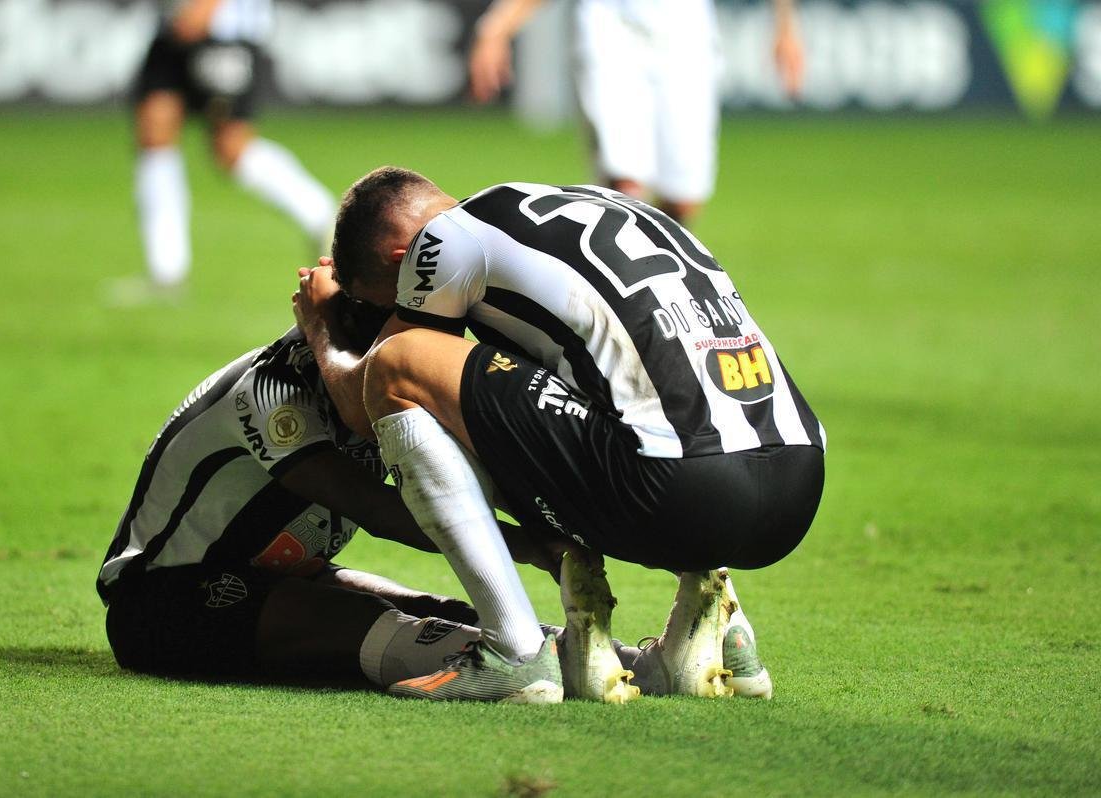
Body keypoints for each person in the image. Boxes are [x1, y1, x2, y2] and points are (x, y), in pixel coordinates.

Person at [292, 167, 826, 703]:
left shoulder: (441, 240)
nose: (384, 314)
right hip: (797, 483)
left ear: (398, 259)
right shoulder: (585, 205)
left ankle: (514, 652)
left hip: (681, 489)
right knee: (630, 394)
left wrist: (322, 325)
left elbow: (369, 402)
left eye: (378, 302)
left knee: (402, 363)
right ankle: (721, 633)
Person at [95, 304, 575, 689]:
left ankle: (614, 662)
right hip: (162, 600)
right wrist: (531, 547)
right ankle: (525, 673)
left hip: (287, 574)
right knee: (363, 616)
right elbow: (371, 506)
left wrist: (562, 528)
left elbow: (478, 474)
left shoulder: (381, 380)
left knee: (435, 608)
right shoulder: (269, 389)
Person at [468, 0, 804, 226]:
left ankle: (655, 273)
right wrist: (497, 27)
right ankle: (624, 301)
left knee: (684, 199)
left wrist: (786, 27)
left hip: (686, 29)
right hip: (610, 25)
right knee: (625, 186)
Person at [113, 0, 335, 303]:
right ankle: (166, 272)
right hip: (172, 25)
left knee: (231, 148)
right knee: (155, 133)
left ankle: (321, 214)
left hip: (226, 33)